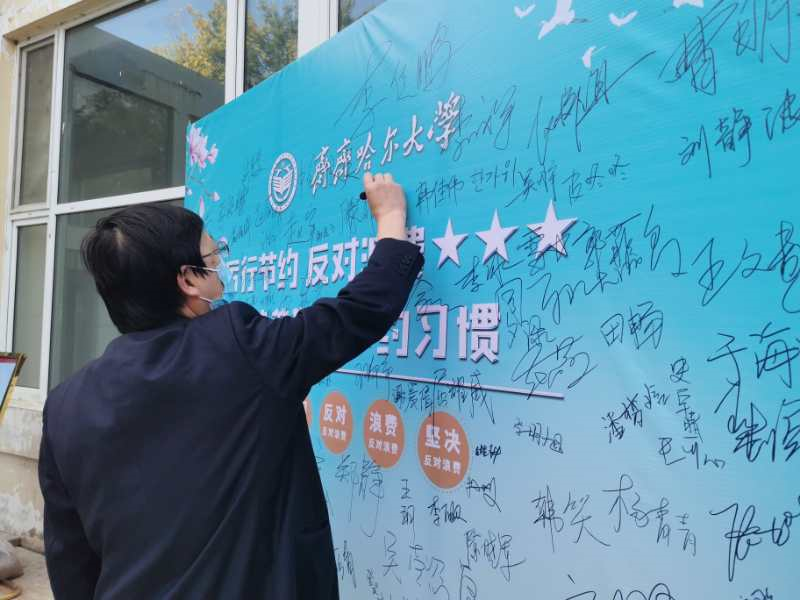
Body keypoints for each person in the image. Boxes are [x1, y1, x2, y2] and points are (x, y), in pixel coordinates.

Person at [38, 173, 423, 599]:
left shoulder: (64, 406)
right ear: (188, 279)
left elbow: (70, 560)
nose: (220, 267)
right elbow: (353, 316)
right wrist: (391, 218)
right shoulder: (239, 347)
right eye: (213, 256)